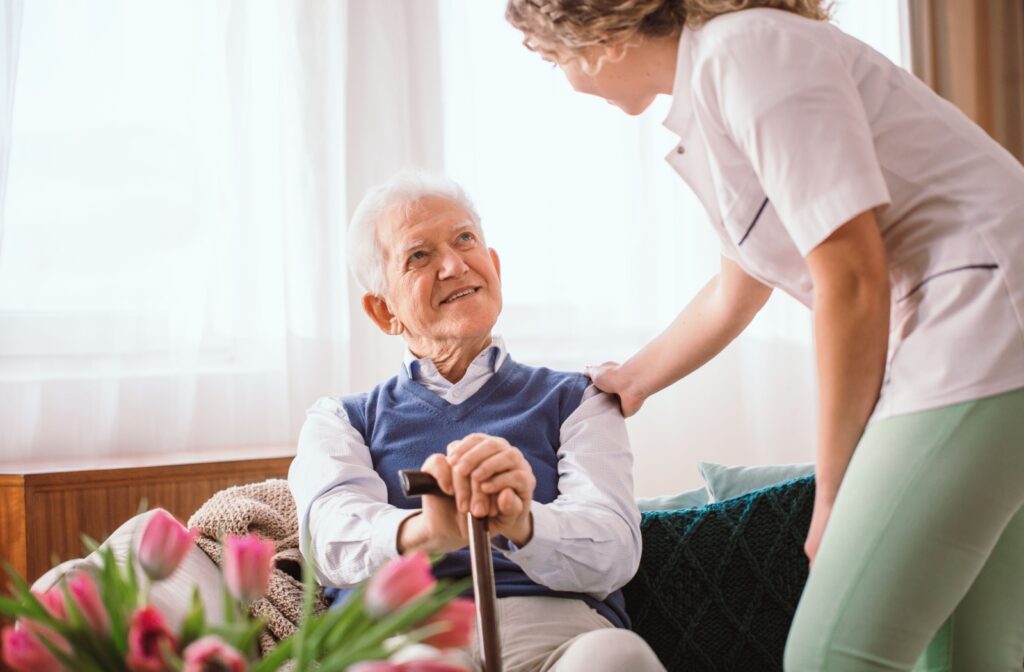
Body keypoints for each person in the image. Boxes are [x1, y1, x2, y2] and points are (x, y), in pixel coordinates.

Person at [504, 1, 1024, 670]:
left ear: (592, 40)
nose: (567, 79)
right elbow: (736, 288)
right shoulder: (718, 88)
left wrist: (837, 487)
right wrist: (632, 380)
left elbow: (852, 278)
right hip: (985, 335)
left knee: (832, 654)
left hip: (985, 325)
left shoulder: (744, 55)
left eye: (554, 59)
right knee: (968, 657)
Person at [287, 171, 665, 672]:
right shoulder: (340, 420)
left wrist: (522, 523)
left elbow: (615, 548)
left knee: (618, 657)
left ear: (495, 267)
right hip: (402, 635)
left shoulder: (580, 398)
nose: (453, 265)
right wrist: (423, 532)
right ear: (384, 312)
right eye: (418, 256)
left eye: (465, 239)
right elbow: (328, 541)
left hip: (555, 632)